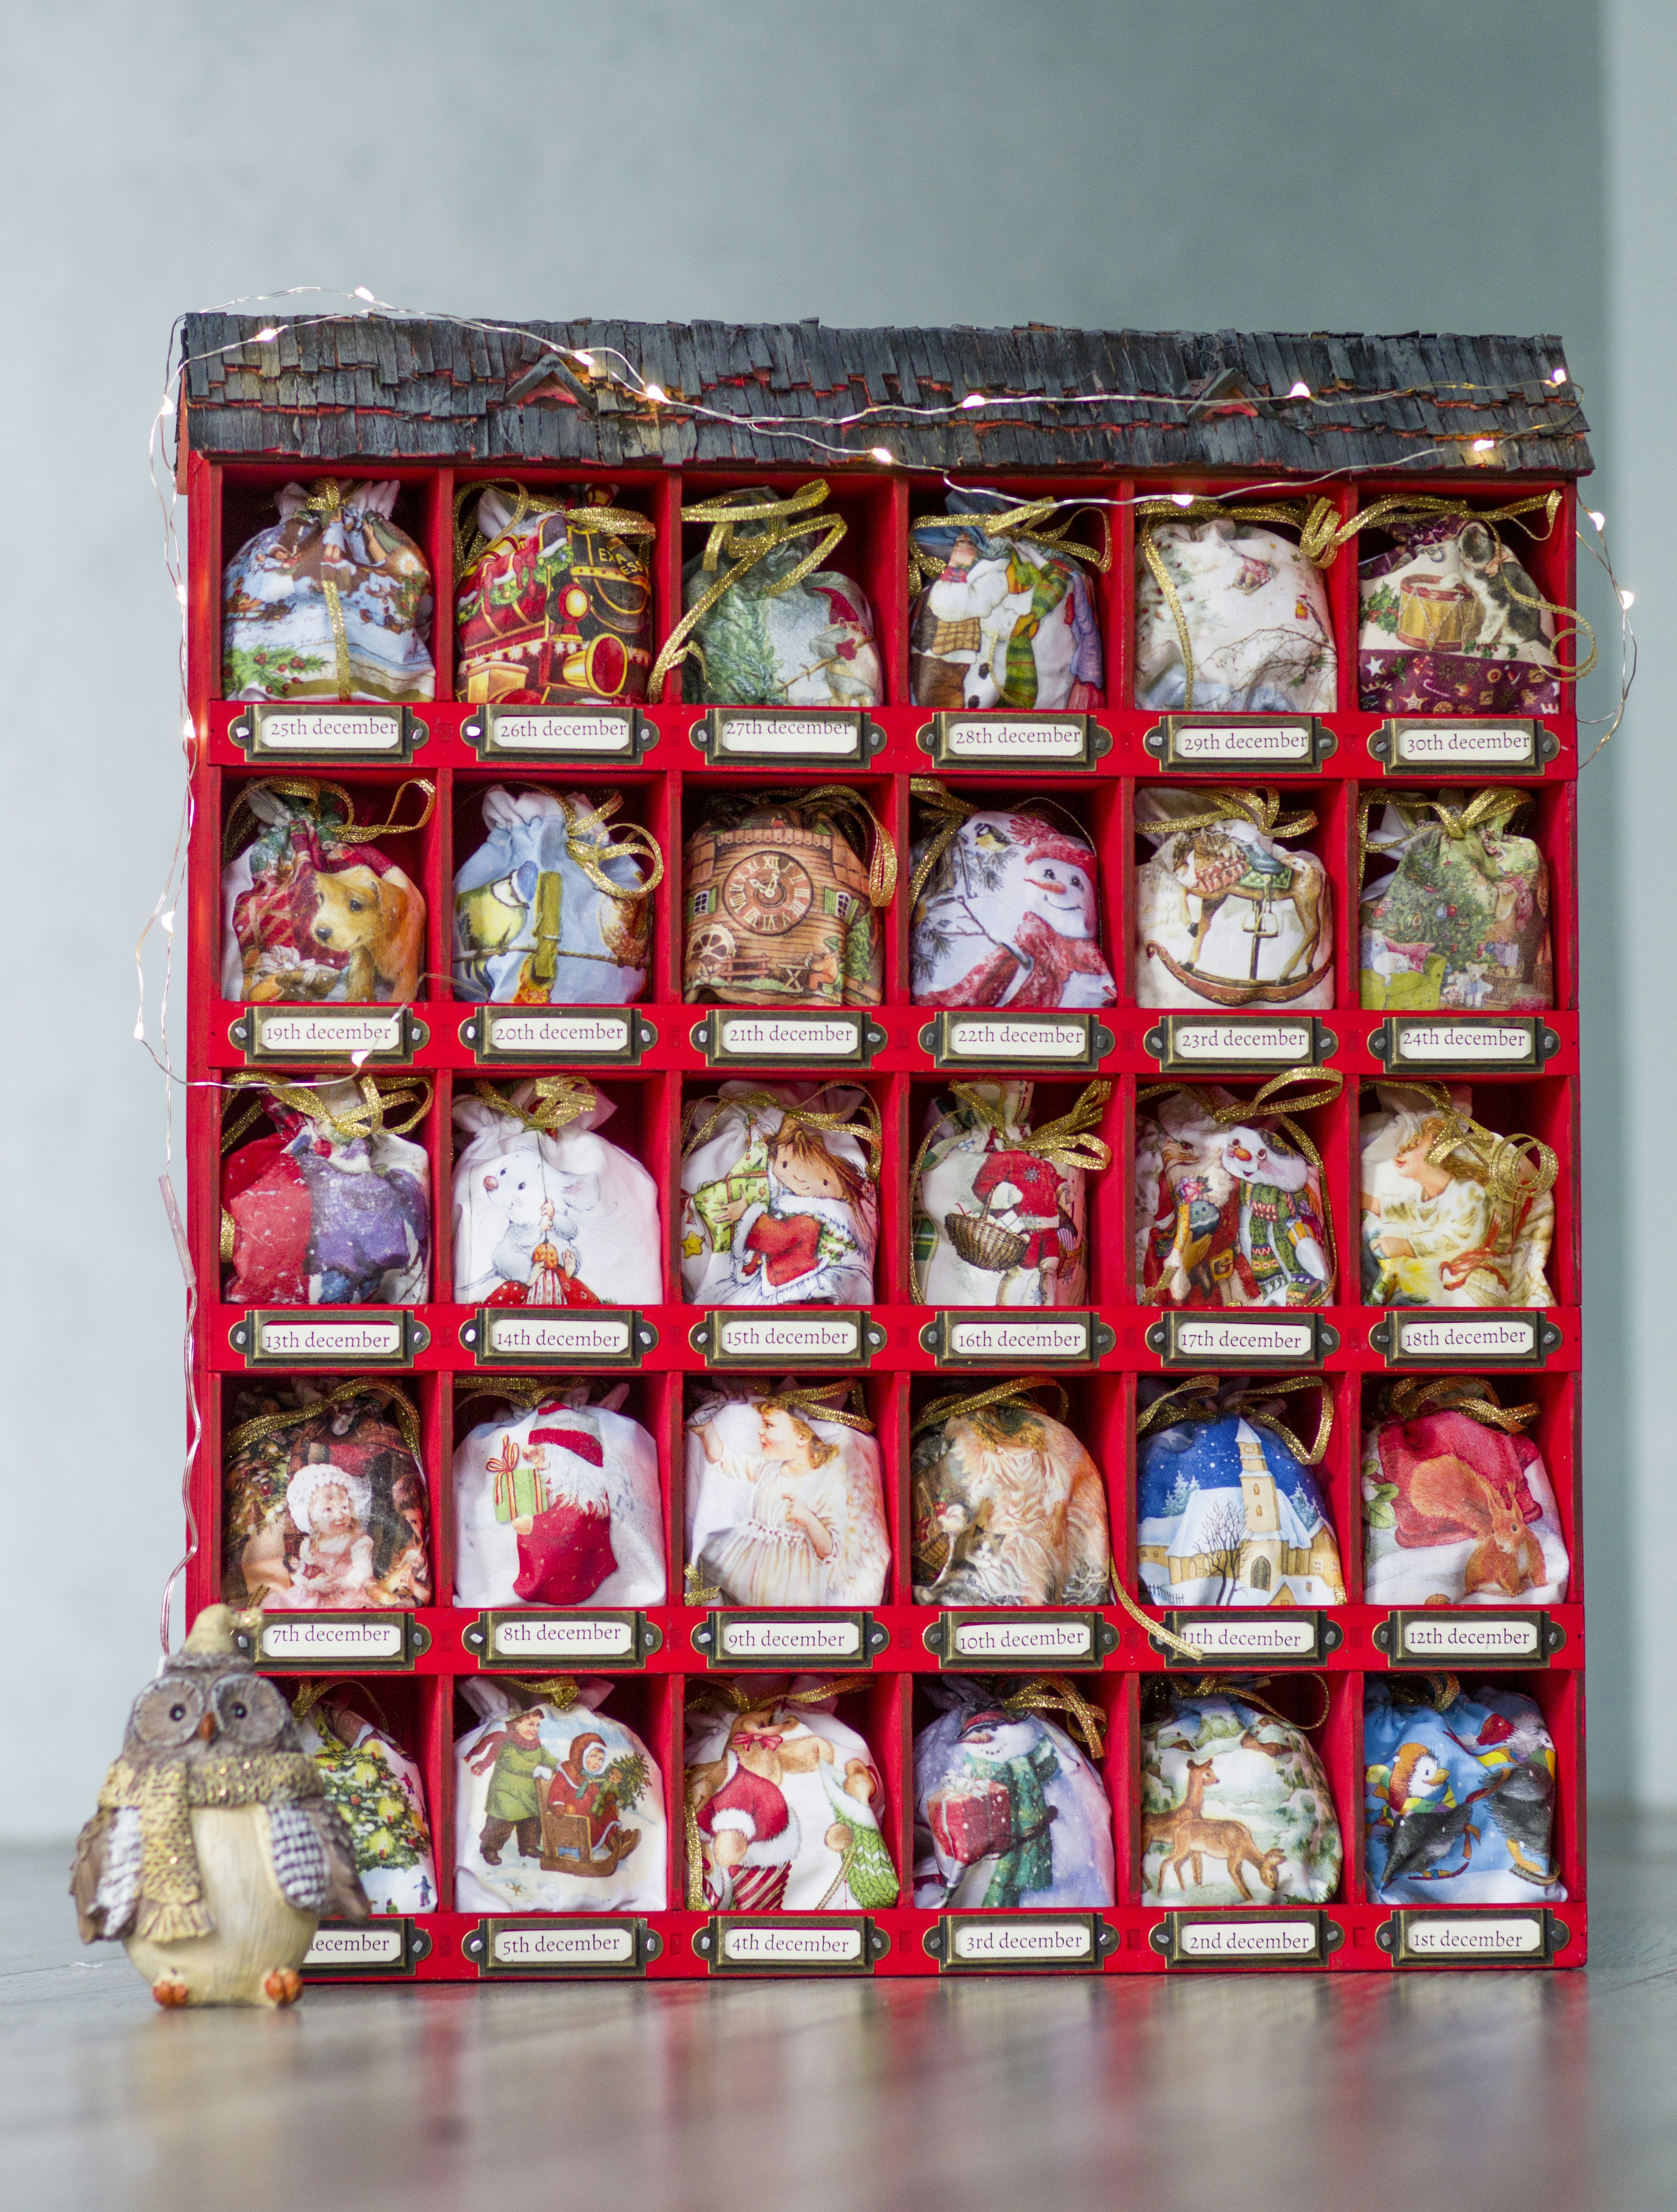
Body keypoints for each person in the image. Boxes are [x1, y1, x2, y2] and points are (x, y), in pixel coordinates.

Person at [691, 1403, 854, 1607]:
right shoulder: (769, 1469)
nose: (760, 1431)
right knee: (716, 1584)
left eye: (769, 1425)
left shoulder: (826, 1485)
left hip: (790, 1580)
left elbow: (831, 1551)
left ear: (802, 1437)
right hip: (748, 1561)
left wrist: (810, 1522)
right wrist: (708, 1433)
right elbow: (726, 1462)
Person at [470, 1707, 558, 1865]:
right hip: (507, 1795)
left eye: (537, 1726)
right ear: (516, 1726)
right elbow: (513, 1762)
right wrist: (536, 1769)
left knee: (531, 1822)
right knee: (501, 1823)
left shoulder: (538, 1747)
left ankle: (529, 1846)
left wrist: (561, 1767)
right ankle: (489, 1846)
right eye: (530, 1725)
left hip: (528, 1795)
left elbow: (550, 1759)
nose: (535, 1730)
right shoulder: (509, 1746)